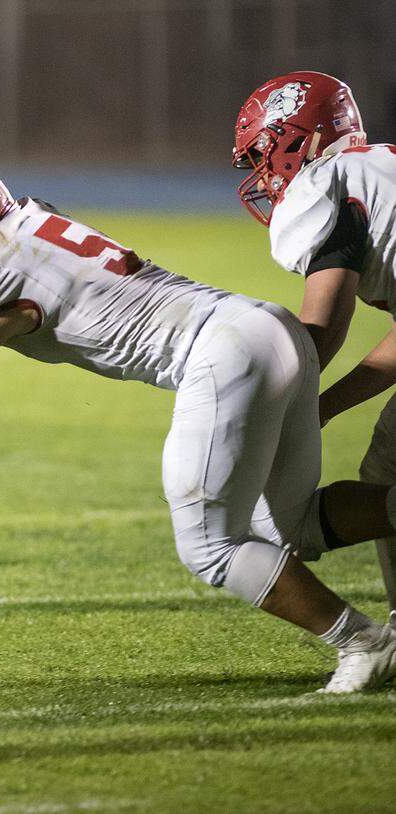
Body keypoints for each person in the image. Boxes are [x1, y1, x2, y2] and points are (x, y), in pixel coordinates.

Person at [0, 157, 396, 693]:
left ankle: (363, 642)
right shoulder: (26, 224)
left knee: (210, 543)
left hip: (225, 355)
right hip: (271, 332)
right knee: (291, 524)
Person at [232, 70, 396, 628]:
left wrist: (281, 406)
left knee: (388, 482)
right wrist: (319, 408)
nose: (260, 170)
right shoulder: (379, 165)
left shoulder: (327, 181)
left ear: (302, 139)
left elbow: (323, 327)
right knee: (386, 473)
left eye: (263, 150)